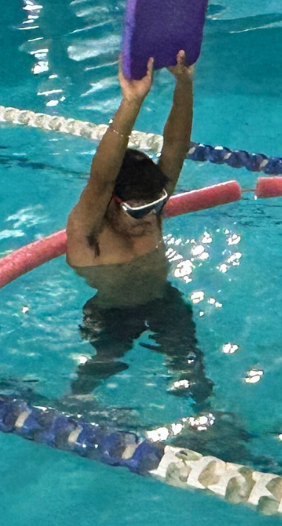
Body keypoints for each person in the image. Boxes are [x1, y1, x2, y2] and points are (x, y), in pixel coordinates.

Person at [65, 52, 212, 409]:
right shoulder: (90, 235)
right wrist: (132, 102)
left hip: (163, 300)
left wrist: (184, 83)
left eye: (158, 203)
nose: (152, 216)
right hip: (112, 313)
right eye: (140, 210)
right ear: (113, 202)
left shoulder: (151, 209)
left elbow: (175, 148)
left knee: (195, 374)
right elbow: (101, 177)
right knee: (99, 369)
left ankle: (210, 421)